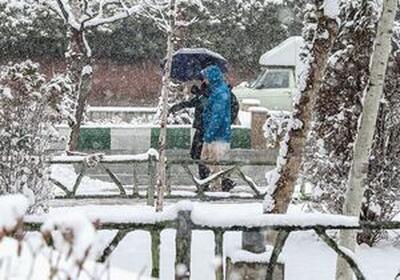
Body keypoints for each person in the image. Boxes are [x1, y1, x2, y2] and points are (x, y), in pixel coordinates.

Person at [169, 80, 211, 185]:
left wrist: (200, 95)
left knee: (201, 155)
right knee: (196, 155)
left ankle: (207, 180)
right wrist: (177, 107)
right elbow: (192, 103)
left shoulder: (212, 93)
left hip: (207, 129)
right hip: (201, 129)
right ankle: (206, 178)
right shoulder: (205, 92)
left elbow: (201, 103)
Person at [201, 65, 232, 191]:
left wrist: (209, 135)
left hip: (218, 135)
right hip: (216, 134)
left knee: (210, 160)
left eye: (206, 77)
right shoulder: (217, 91)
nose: (204, 80)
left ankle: (219, 185)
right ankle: (221, 182)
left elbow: (217, 116)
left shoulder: (220, 93)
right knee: (208, 160)